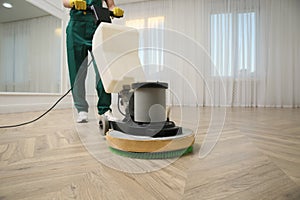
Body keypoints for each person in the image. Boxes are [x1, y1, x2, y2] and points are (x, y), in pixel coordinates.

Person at [62, 0, 124, 123]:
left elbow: (111, 5)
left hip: (97, 25)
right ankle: (81, 110)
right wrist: (73, 2)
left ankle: (105, 109)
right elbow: (65, 2)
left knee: (103, 70)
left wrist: (114, 10)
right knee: (77, 70)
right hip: (76, 27)